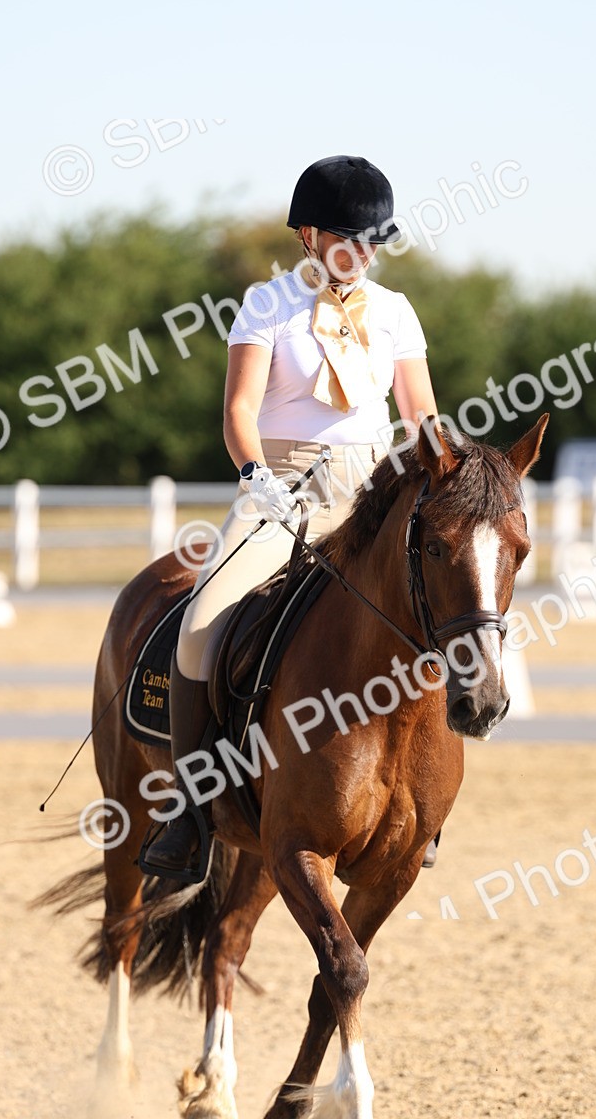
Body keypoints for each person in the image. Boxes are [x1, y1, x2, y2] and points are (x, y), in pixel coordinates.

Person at [144, 155, 442, 876]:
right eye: (349, 239)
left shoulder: (396, 312)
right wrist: (256, 477)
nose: (363, 254)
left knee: (448, 604)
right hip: (280, 484)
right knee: (202, 622)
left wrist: (445, 472)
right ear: (309, 235)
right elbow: (238, 413)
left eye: (373, 241)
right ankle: (189, 804)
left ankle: (425, 802)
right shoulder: (266, 303)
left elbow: (420, 414)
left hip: (371, 490)